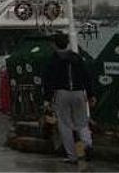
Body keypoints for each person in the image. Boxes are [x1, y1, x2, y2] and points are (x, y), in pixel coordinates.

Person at [43, 35, 94, 163]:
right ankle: (87, 145)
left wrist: (47, 99)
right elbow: (87, 76)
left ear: (54, 44)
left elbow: (49, 80)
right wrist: (90, 94)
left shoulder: (53, 60)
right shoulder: (77, 58)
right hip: (79, 92)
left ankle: (73, 156)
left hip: (62, 93)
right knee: (82, 122)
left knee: (65, 125)